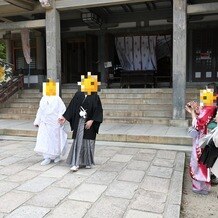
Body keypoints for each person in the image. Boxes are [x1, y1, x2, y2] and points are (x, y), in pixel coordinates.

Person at [59, 90, 103, 172]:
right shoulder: (78, 94)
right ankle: (76, 163)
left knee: (89, 142)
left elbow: (98, 110)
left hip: (90, 123)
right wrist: (64, 117)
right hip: (79, 122)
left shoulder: (95, 96)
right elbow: (71, 107)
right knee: (78, 141)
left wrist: (92, 120)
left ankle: (88, 162)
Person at [186, 91, 217, 195]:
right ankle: (203, 186)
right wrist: (196, 109)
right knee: (203, 162)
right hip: (205, 138)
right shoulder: (210, 108)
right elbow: (202, 116)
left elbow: (198, 125)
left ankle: (199, 187)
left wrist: (192, 113)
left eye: (205, 96)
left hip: (202, 141)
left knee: (199, 162)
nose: (203, 99)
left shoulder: (209, 108)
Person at [34, 79, 68, 166]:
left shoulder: (57, 99)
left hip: (54, 122)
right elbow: (40, 110)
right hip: (45, 122)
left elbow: (62, 109)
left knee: (55, 140)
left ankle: (57, 155)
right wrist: (37, 121)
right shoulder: (43, 98)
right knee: (45, 140)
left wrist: (60, 117)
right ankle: (47, 157)